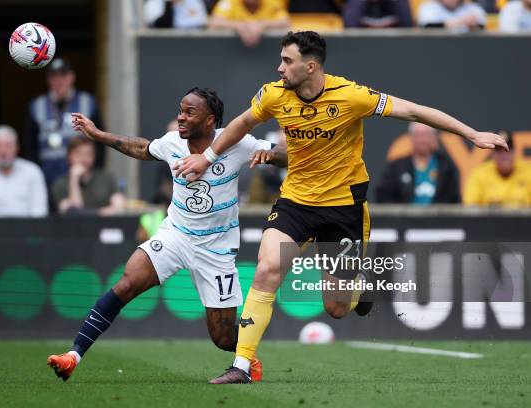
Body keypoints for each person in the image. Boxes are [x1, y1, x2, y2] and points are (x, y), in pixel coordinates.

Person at [174, 31, 507, 383]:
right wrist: (207, 158)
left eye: (287, 61)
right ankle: (241, 366)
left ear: (311, 65)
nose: (279, 67)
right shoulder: (273, 94)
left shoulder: (351, 96)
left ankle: (361, 286)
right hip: (296, 202)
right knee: (267, 268)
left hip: (343, 208)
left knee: (336, 308)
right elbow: (242, 123)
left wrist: (471, 135)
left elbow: (414, 111)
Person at [46, 88, 286, 383]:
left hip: (217, 248)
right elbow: (141, 148)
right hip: (176, 235)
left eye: (189, 113)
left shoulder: (238, 143)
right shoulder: (173, 143)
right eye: (180, 110)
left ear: (210, 120)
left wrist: (273, 155)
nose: (180, 118)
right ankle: (73, 356)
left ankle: (245, 357)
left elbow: (287, 156)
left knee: (222, 337)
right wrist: (98, 135)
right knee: (127, 283)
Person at [24, 58, 105, 185]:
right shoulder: (36, 105)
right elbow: (30, 145)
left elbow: (100, 141)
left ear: (72, 77)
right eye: (54, 76)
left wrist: (94, 174)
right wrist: (36, 175)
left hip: (81, 178)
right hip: (47, 178)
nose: (59, 81)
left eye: (63, 75)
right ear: (48, 80)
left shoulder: (88, 102)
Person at [0, 125, 48, 217]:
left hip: (28, 230)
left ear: (17, 148)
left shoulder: (33, 172)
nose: (3, 151)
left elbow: (39, 211)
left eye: (8, 145)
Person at [375, 122, 460, 204]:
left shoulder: (446, 166)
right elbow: (383, 194)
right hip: (405, 218)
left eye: (426, 135)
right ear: (411, 138)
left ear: (434, 138)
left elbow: (454, 198)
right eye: (418, 135)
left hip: (438, 217)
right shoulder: (397, 166)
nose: (422, 140)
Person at [51, 137, 126, 216]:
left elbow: (119, 208)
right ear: (69, 156)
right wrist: (74, 179)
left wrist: (94, 213)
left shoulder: (107, 178)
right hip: (74, 227)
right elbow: (75, 212)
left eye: (88, 154)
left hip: (105, 226)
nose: (83, 159)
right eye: (78, 153)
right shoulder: (59, 184)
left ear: (94, 156)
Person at [464, 131, 531, 207]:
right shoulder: (480, 174)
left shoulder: (528, 172)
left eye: (507, 150)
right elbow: (470, 206)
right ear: (493, 153)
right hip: (488, 219)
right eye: (499, 151)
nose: (504, 155)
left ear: (514, 152)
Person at [208, 0, 290, 47]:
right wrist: (238, 25)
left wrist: (262, 24)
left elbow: (285, 22)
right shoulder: (229, 2)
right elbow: (214, 22)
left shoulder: (272, 2)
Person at [418, 0, 486, 31]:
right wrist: (461, 22)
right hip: (436, 50)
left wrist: (473, 27)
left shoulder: (474, 9)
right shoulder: (428, 7)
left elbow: (482, 29)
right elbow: (427, 27)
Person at [343, 0, 413, 28]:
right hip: (362, 50)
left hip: (393, 50)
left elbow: (408, 25)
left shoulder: (398, 3)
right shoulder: (356, 3)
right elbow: (349, 26)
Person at [144, 0, 208, 28]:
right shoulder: (154, 3)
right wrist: (169, 4)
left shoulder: (194, 2)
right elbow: (159, 25)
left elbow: (202, 22)